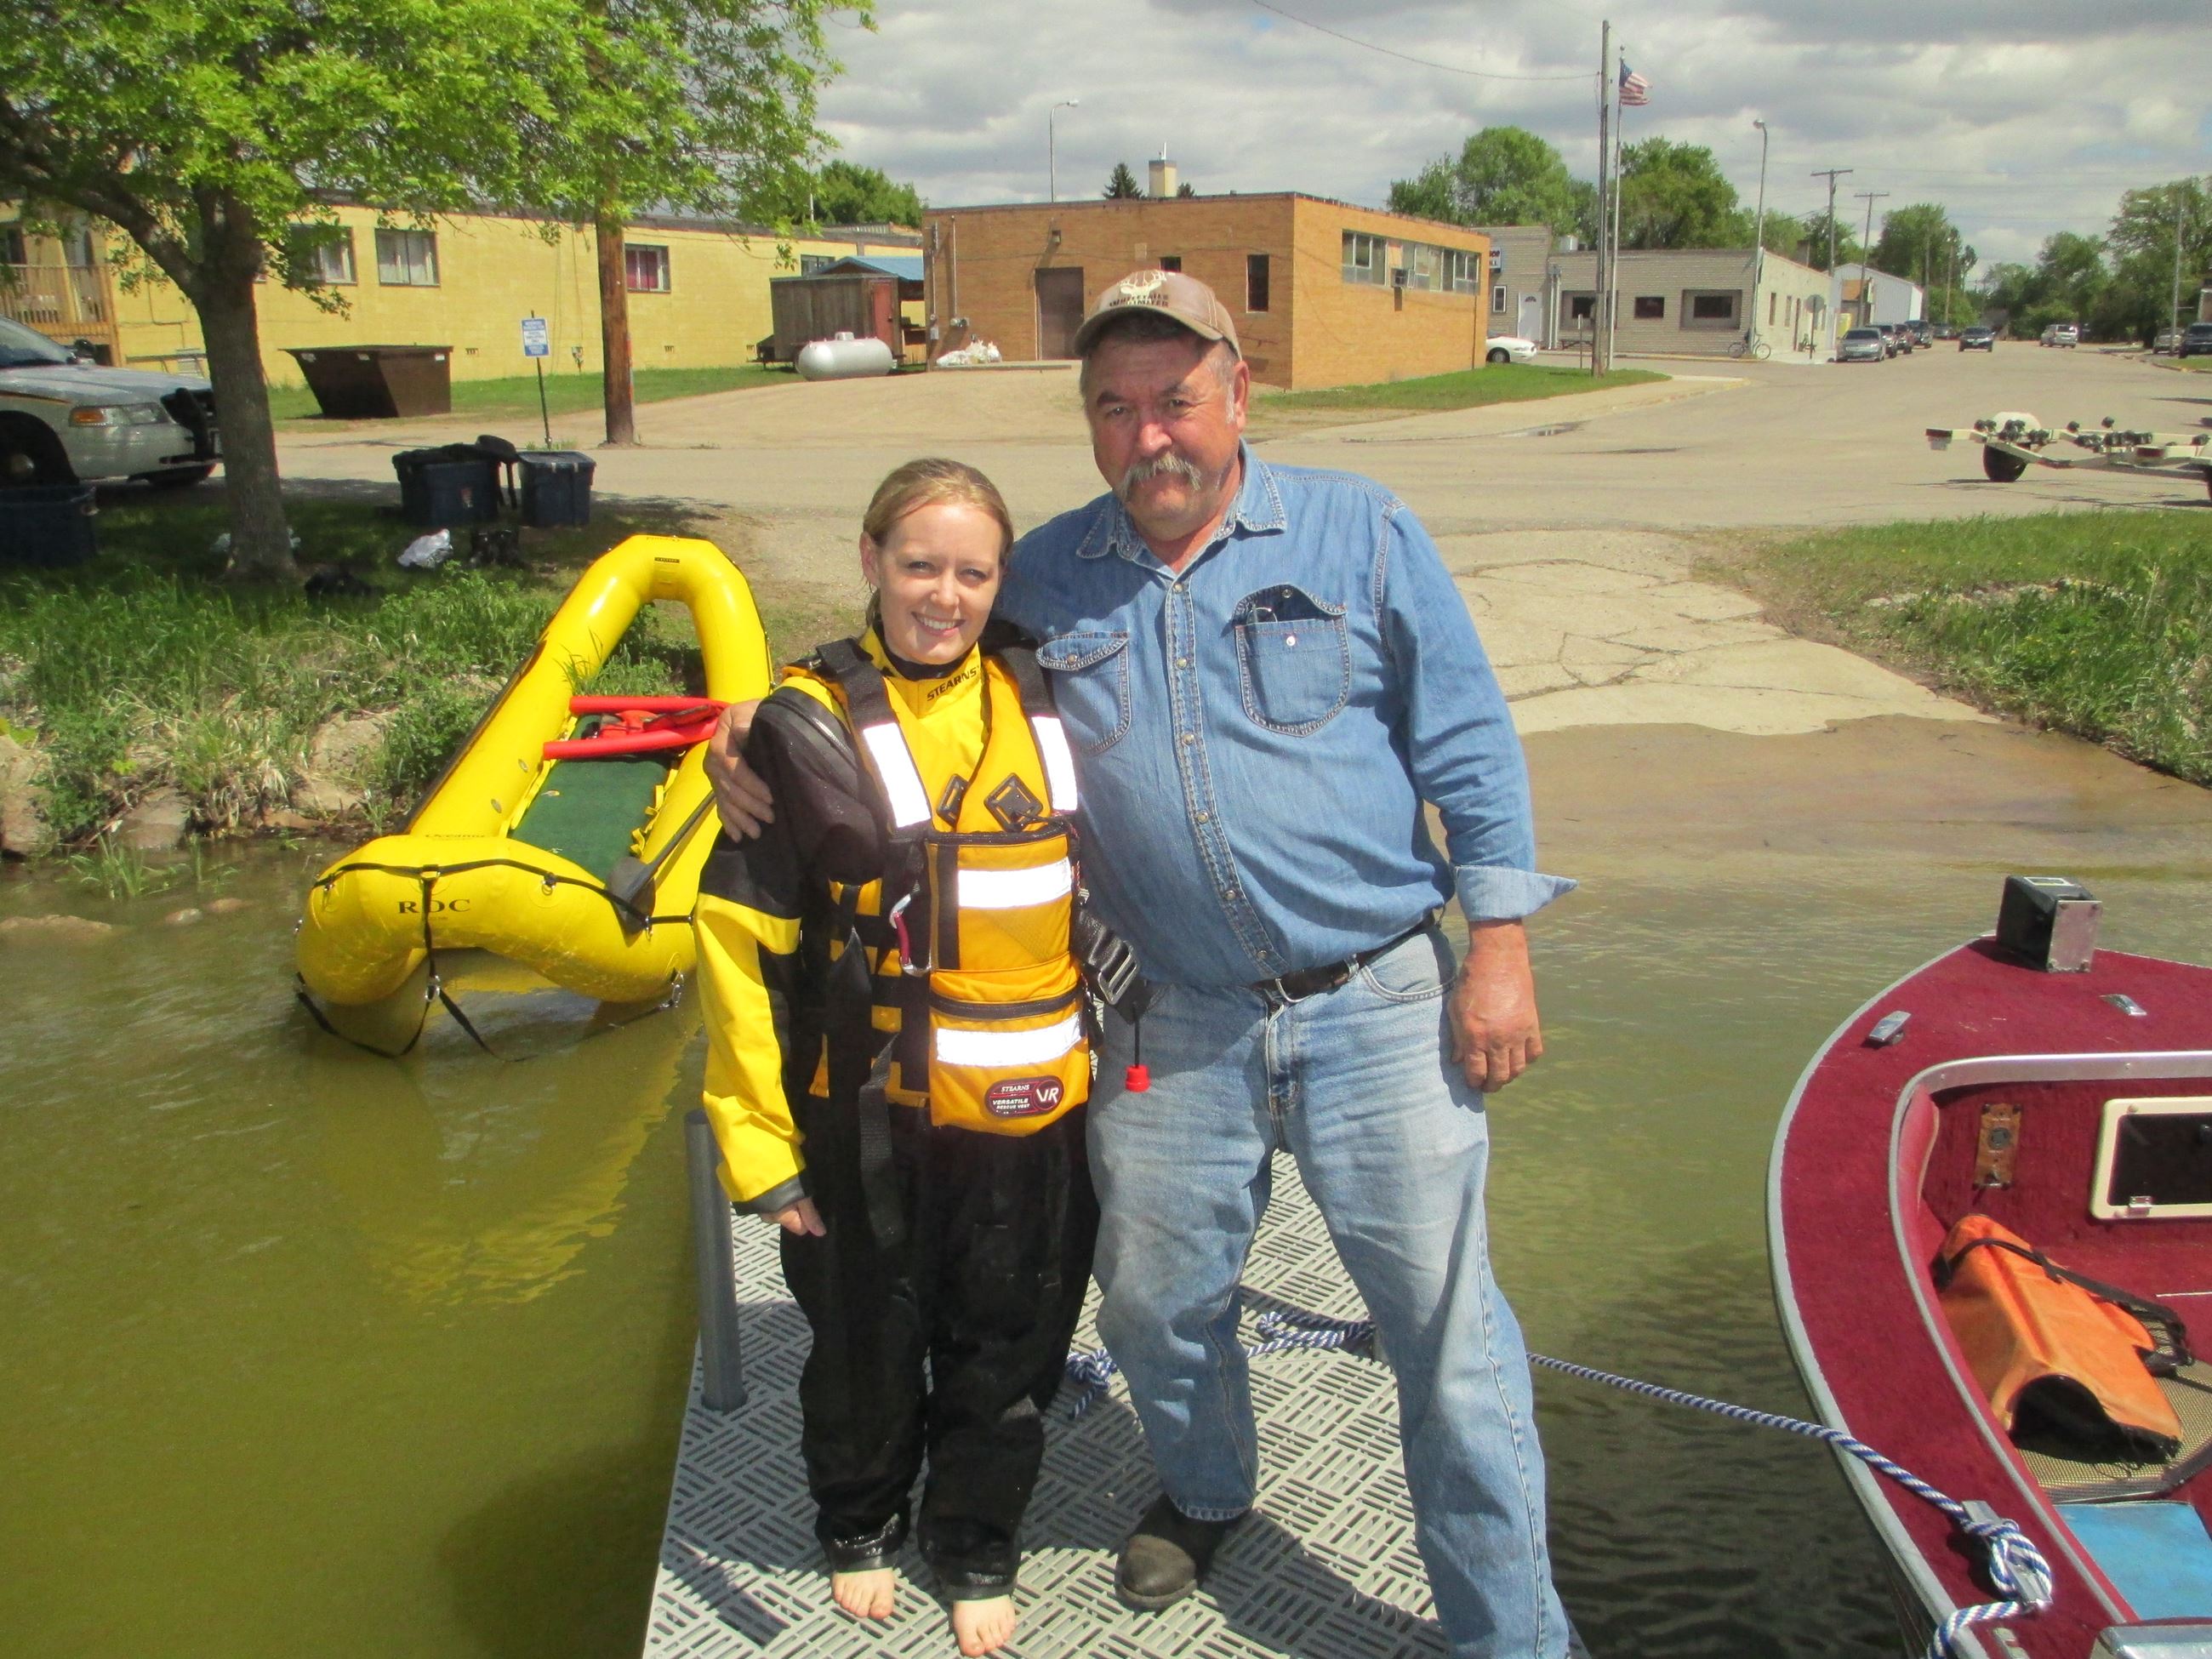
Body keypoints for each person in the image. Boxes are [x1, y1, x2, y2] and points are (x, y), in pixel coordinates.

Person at [710, 272, 1574, 1659]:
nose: (1148, 433)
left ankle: (1511, 1639)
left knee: (1452, 1351)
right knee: (1157, 1308)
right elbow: (912, 639)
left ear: (1240, 393)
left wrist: (1503, 947)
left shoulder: (1362, 530)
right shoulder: (1049, 570)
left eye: (1175, 398)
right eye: (1115, 408)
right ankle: (1211, 1488)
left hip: (1376, 1004)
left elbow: (1466, 741)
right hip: (1170, 1022)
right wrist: (752, 722)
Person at [693, 458, 1100, 1658]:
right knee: (866, 1339)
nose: (945, 594)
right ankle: (860, 1517)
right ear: (870, 561)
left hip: (1033, 1112)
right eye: (919, 564)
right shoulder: (796, 724)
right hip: (864, 1112)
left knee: (1012, 1336)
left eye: (973, 571)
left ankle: (973, 1539)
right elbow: (738, 947)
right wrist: (759, 1149)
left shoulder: (1049, 689)